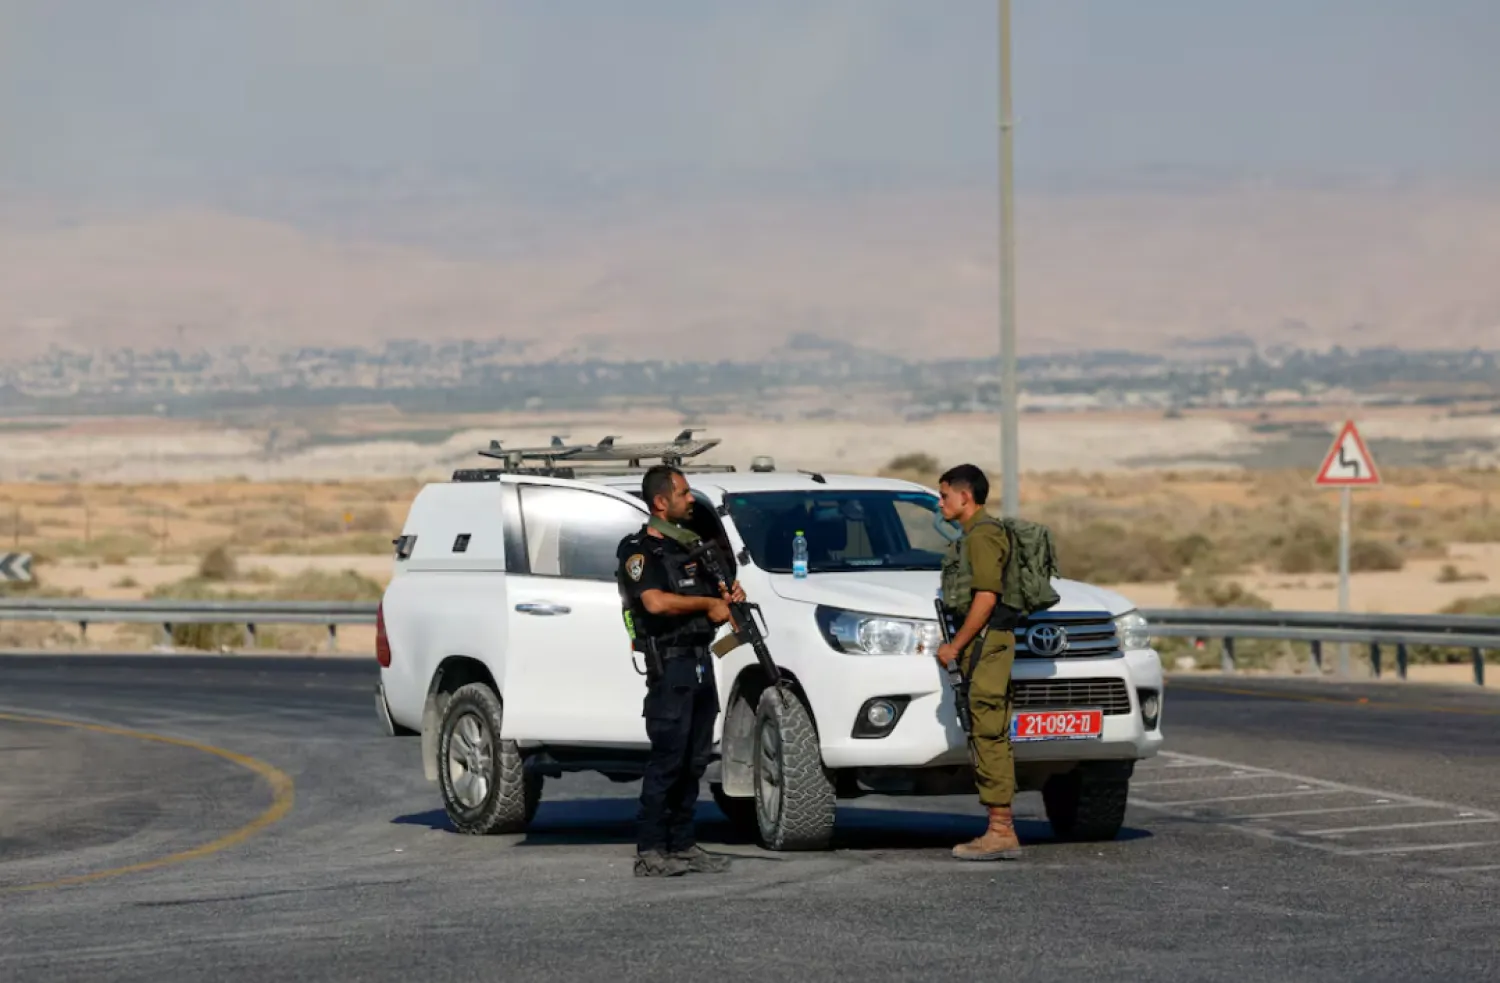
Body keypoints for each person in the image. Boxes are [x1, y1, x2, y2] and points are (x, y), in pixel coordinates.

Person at [616, 464, 744, 877]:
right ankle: (651, 849)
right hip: (670, 666)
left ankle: (683, 844)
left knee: (695, 760)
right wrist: (707, 605)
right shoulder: (640, 551)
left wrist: (727, 599)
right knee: (668, 759)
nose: (691, 500)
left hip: (700, 661)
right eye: (684, 493)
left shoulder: (692, 549)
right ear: (661, 501)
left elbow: (717, 603)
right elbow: (653, 602)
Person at [934, 463, 1023, 861]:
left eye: (944, 495)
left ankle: (1001, 829)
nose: (941, 504)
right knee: (983, 726)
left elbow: (986, 596)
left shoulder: (983, 537)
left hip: (986, 643)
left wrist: (955, 646)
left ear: (965, 496)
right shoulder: (975, 535)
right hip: (985, 644)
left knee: (988, 728)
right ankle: (998, 826)